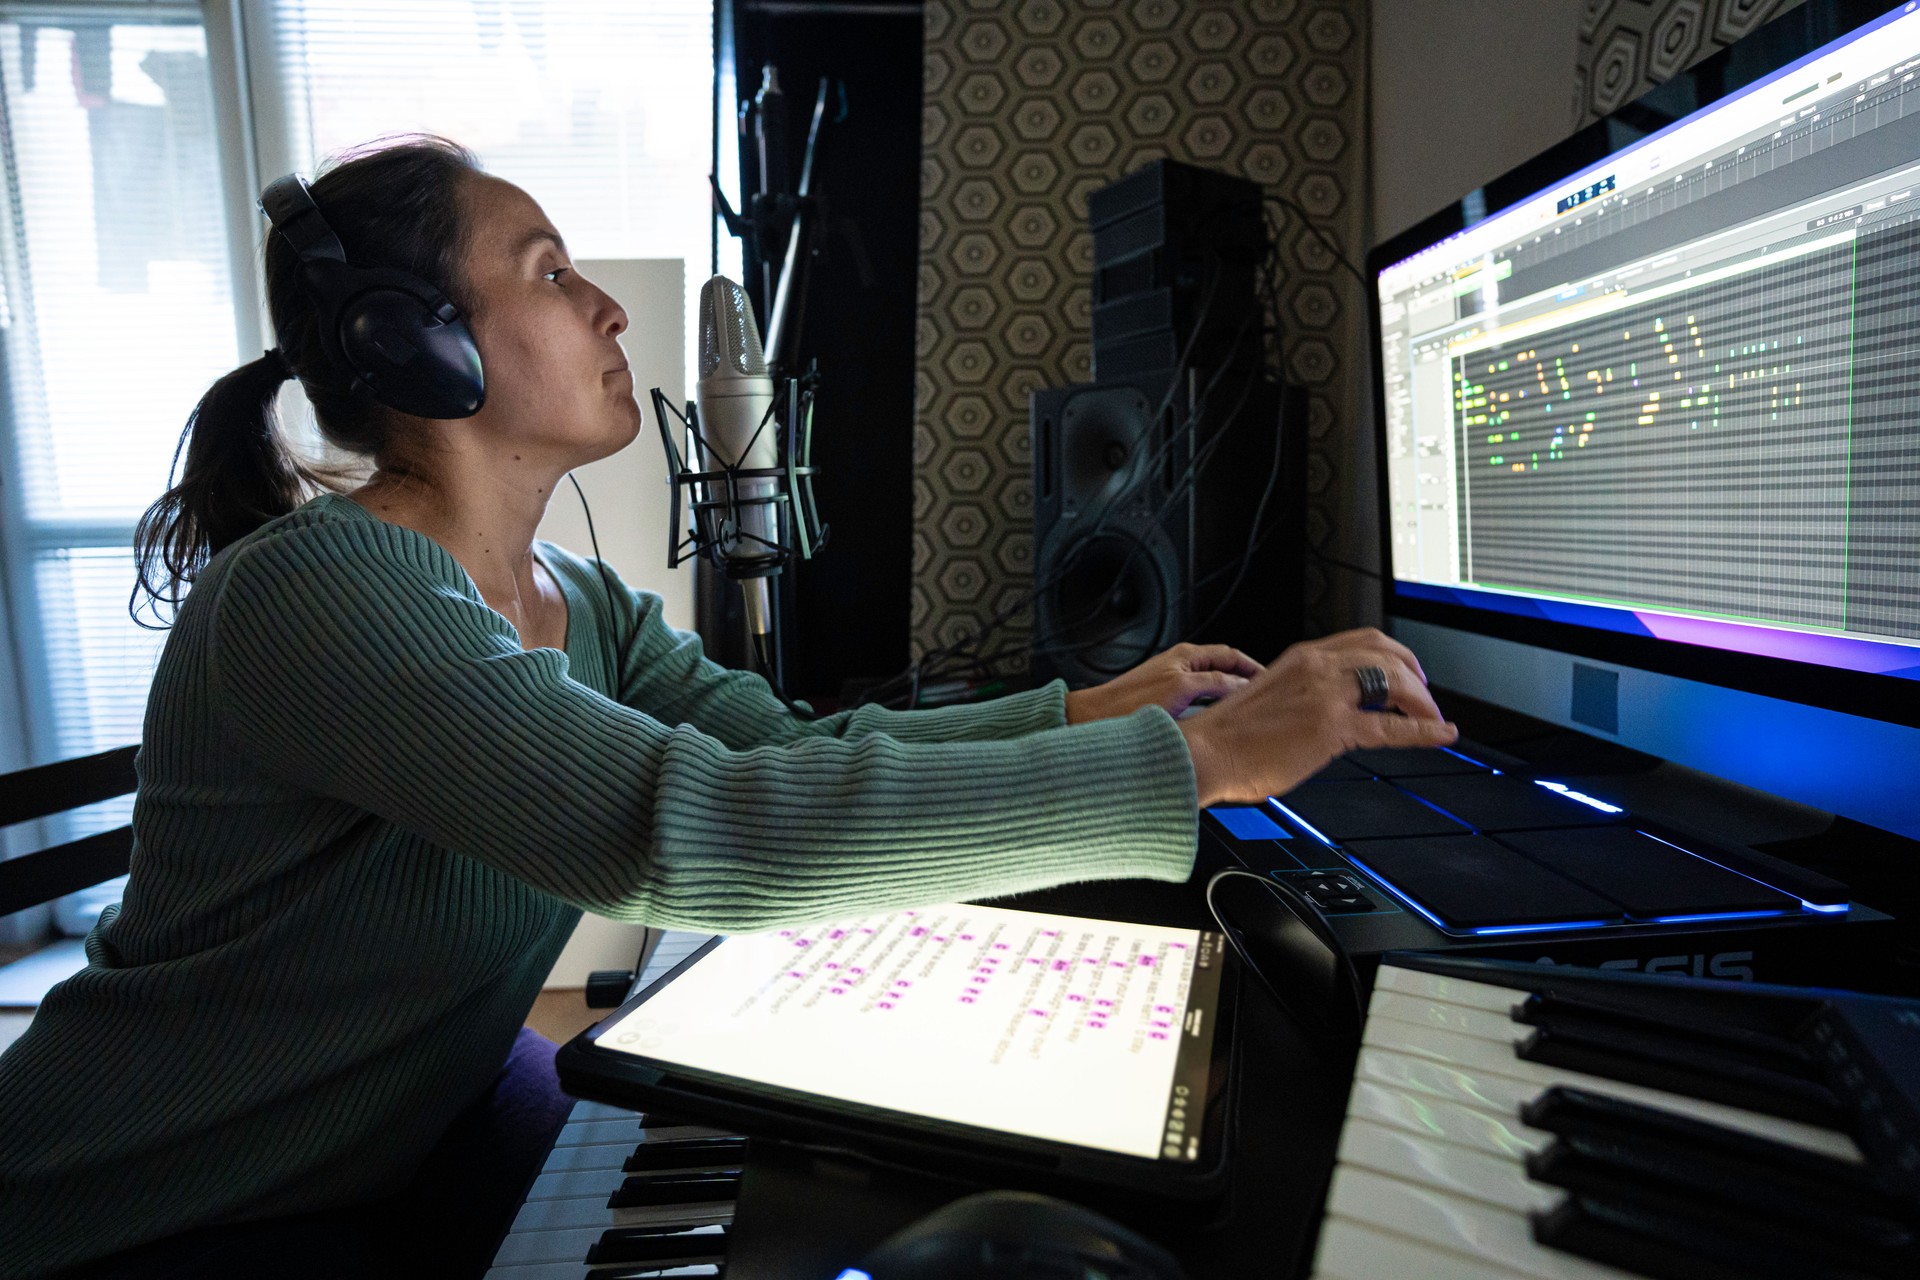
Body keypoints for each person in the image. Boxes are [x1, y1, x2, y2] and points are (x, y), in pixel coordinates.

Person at [0, 136, 1456, 1280]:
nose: (610, 305)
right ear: (411, 342)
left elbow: (791, 753)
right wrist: (1191, 762)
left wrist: (1084, 714)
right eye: (551, 270)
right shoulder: (319, 593)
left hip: (397, 1127)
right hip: (156, 1201)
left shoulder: (581, 596)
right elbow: (684, 832)